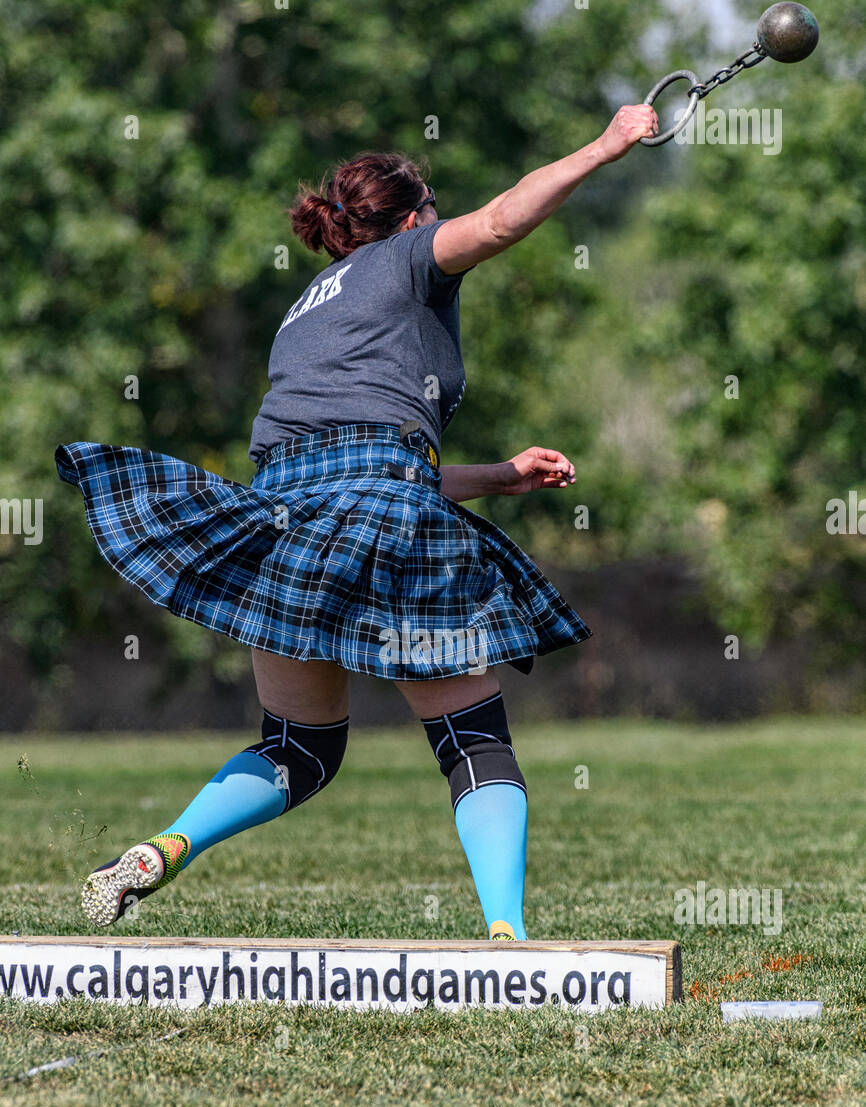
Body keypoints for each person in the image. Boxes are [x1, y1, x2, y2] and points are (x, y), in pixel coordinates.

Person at [56, 102, 658, 940]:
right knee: (473, 739)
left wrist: (498, 476)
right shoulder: (409, 257)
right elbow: (500, 222)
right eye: (434, 210)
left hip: (287, 522)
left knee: (299, 747)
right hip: (382, 509)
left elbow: (351, 465)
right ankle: (507, 937)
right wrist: (605, 145)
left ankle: (166, 845)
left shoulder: (305, 308)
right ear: (411, 220)